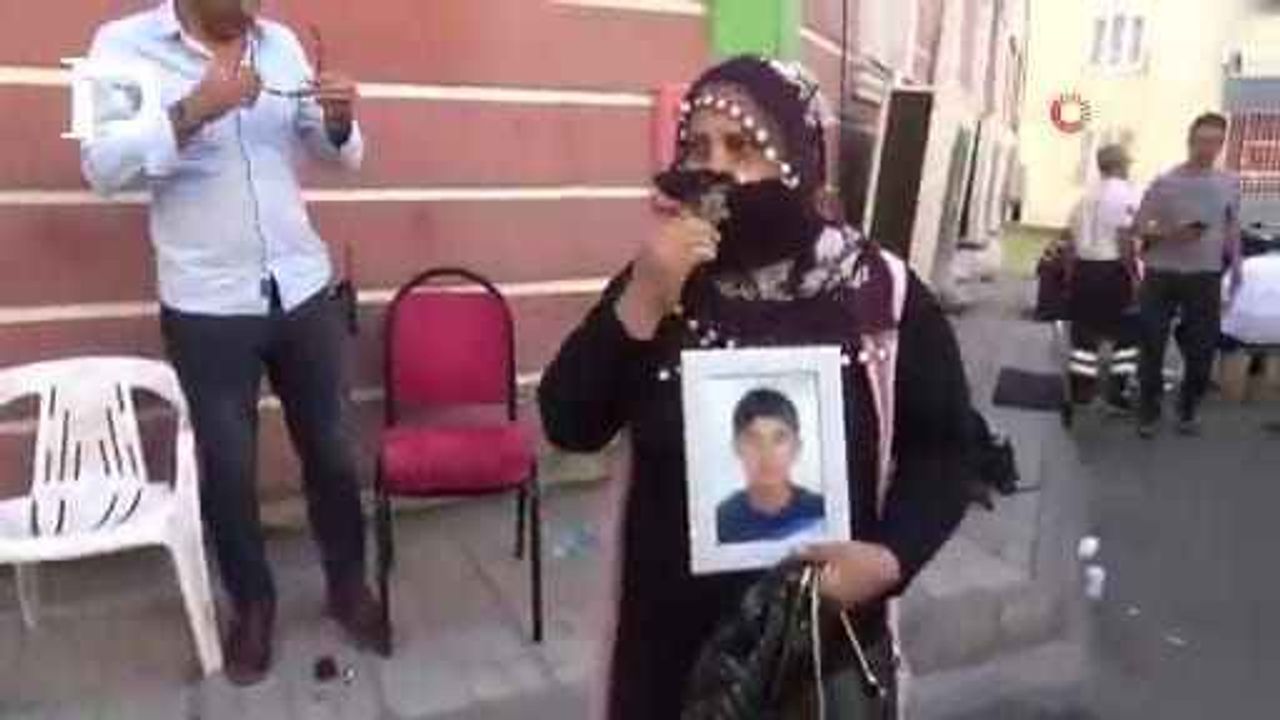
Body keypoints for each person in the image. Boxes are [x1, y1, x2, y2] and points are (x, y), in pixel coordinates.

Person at [538, 56, 972, 719]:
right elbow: (570, 421)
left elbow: (944, 451)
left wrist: (890, 560)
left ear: (797, 157)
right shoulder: (664, 276)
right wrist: (643, 300)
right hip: (665, 656)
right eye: (697, 148)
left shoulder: (877, 292)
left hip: (817, 655)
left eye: (743, 148)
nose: (715, 169)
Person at [79, 0, 387, 684]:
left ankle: (347, 585)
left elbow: (332, 152)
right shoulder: (121, 46)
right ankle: (252, 607)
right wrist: (193, 110)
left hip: (301, 287)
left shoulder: (279, 44)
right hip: (206, 303)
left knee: (333, 450)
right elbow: (100, 167)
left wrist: (339, 120)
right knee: (227, 467)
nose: (255, 7)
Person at [1134, 113, 1243, 437]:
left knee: (1202, 350)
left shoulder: (1228, 183)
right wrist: (1171, 233)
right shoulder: (1165, 182)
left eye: (1215, 142)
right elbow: (1138, 227)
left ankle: (1187, 408)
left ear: (1221, 145)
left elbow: (1231, 225)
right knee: (1152, 344)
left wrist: (1237, 265)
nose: (1207, 148)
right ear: (1189, 141)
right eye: (1202, 141)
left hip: (1205, 276)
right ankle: (1149, 410)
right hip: (1162, 273)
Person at [1062, 143, 1143, 411]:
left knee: (1084, 333)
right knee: (1128, 330)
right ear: (1120, 165)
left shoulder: (1084, 198)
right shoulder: (1126, 194)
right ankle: (1117, 391)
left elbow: (1070, 241)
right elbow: (1124, 238)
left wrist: (1070, 274)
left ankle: (1081, 391)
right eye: (1127, 163)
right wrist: (1134, 275)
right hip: (1112, 268)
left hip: (1084, 268)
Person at [716, 388, 825, 544]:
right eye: (753, 439)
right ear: (736, 447)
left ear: (797, 447)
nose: (767, 453)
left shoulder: (821, 513)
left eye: (779, 439)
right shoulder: (721, 522)